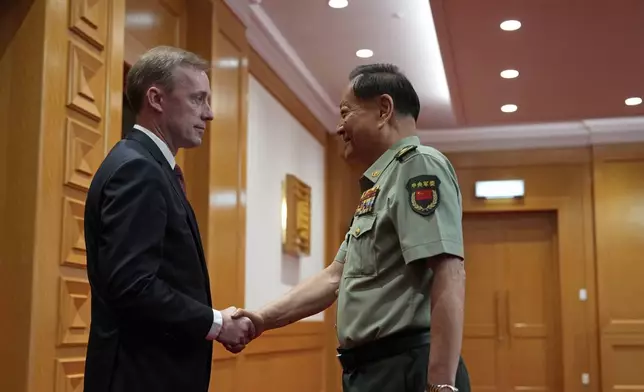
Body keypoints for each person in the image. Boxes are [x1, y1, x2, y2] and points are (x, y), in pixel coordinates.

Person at [232, 63, 471, 392]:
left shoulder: (418, 165)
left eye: (346, 113)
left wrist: (442, 387)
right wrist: (260, 318)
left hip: (406, 368)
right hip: (372, 371)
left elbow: (449, 272)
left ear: (384, 109)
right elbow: (334, 277)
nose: (340, 127)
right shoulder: (377, 188)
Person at [83, 46, 255, 392]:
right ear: (156, 98)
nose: (209, 114)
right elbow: (133, 285)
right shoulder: (137, 169)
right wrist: (217, 323)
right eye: (198, 99)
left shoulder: (148, 166)